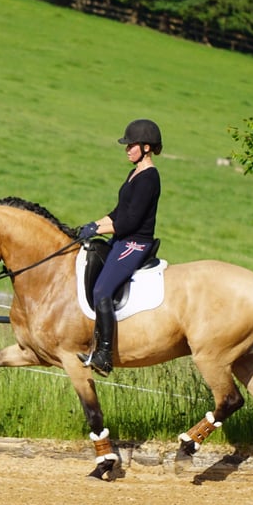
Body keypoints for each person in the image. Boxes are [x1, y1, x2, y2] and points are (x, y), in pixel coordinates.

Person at [76, 119, 163, 377]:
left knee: (102, 289)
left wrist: (99, 229)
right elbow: (118, 212)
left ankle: (104, 355)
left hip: (135, 242)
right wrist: (93, 224)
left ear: (146, 148)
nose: (127, 149)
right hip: (122, 239)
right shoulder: (134, 172)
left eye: (131, 145)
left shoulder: (149, 178)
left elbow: (129, 222)